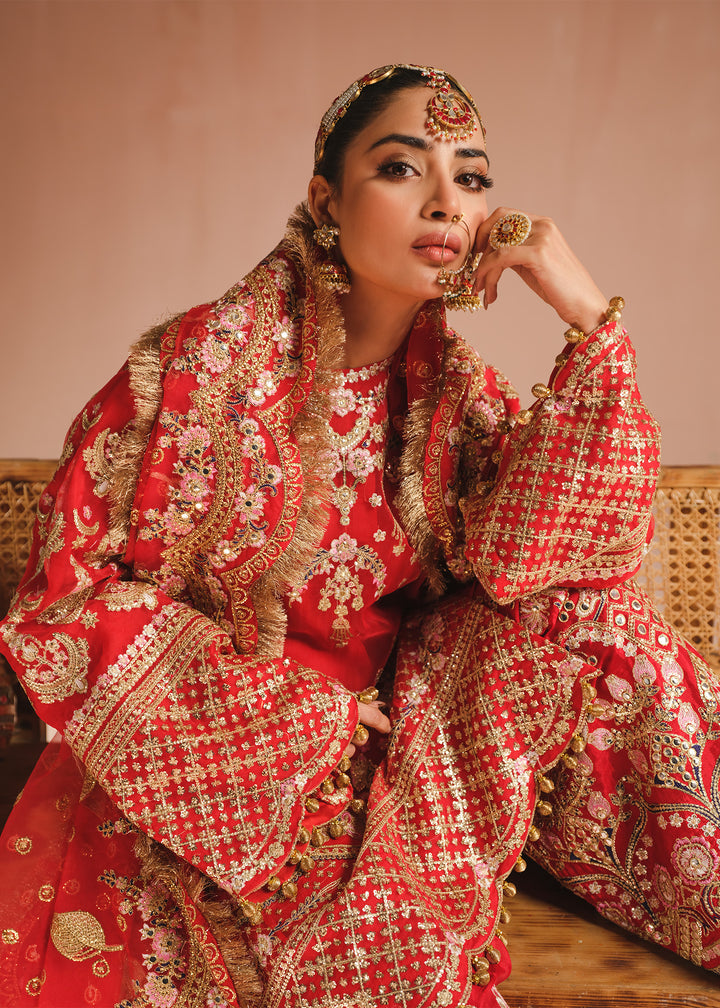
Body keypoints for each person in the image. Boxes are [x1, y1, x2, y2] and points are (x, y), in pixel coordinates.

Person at [0, 63, 718, 1008]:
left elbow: (572, 565)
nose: (446, 202)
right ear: (325, 201)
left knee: (606, 631)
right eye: (402, 168)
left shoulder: (457, 398)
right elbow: (62, 605)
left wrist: (590, 320)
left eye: (471, 177)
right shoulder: (194, 374)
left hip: (403, 733)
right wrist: (295, 721)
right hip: (228, 752)